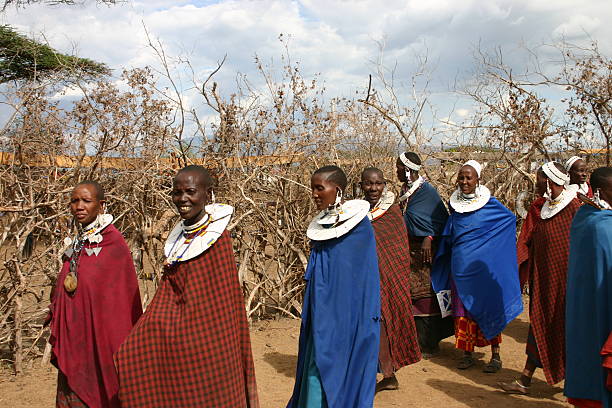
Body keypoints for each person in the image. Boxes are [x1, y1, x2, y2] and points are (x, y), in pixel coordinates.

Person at [115, 165, 259, 408]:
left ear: (207, 194)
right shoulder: (179, 239)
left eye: (190, 191)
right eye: (177, 192)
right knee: (131, 355)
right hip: (180, 331)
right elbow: (169, 294)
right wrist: (157, 326)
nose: (182, 199)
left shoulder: (218, 240)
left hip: (212, 339)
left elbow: (219, 301)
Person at [287, 165, 380, 408]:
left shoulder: (359, 229)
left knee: (339, 362)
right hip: (322, 310)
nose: (315, 194)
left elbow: (361, 279)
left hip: (349, 315)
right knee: (317, 361)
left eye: (320, 188)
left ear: (336, 190)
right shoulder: (323, 226)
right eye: (313, 188)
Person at [49, 180, 142, 408]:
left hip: (102, 340)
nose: (79, 206)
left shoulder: (114, 244)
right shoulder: (78, 241)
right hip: (75, 339)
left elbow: (120, 301)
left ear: (101, 205)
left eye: (86, 201)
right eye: (74, 201)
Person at [431, 160, 523, 373]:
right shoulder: (455, 208)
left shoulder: (491, 206)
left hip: (482, 272)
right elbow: (449, 233)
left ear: (478, 180)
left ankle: (496, 355)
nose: (464, 181)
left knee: (488, 307)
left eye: (468, 177)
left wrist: (493, 252)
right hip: (460, 269)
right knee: (462, 311)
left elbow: (508, 220)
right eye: (461, 177)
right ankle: (467, 353)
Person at [500, 162, 581, 394]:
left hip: (568, 285)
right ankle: (525, 380)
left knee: (567, 329)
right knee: (539, 324)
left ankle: (573, 383)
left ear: (548, 180)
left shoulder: (574, 207)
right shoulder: (542, 208)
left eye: (538, 179)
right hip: (544, 282)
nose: (535, 183)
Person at [361, 167, 422, 393]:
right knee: (372, 325)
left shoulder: (393, 212)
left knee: (385, 323)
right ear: (361, 186)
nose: (373, 188)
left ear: (385, 184)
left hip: (388, 277)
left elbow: (397, 250)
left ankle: (388, 375)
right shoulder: (357, 213)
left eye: (377, 184)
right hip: (366, 279)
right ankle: (383, 374)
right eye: (368, 184)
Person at [396, 152, 453, 357]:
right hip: (408, 251)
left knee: (426, 295)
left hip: (425, 253)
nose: (397, 171)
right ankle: (415, 340)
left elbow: (440, 218)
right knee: (411, 295)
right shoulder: (406, 190)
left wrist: (429, 236)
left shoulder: (427, 192)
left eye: (399, 168)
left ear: (408, 169)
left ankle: (429, 342)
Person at [565, 166, 612, 408]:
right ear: (602, 192)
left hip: (587, 303)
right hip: (600, 302)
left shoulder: (585, 216)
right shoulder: (601, 225)